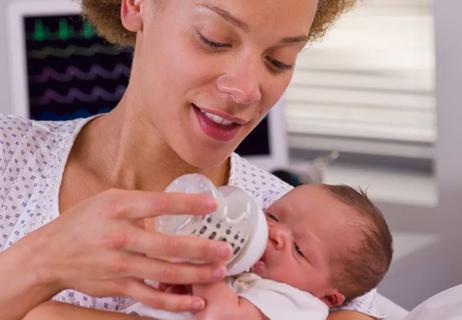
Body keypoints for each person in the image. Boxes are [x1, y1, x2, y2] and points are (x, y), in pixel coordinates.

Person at [0, 0, 384, 319]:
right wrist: (40, 260)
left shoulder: (321, 247)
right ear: (136, 5)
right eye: (214, 39)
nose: (246, 91)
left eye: (279, 60)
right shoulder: (8, 155)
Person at [124, 184, 393, 320]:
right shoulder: (247, 272)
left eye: (299, 249)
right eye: (273, 216)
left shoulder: (298, 305)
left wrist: (206, 264)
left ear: (329, 297)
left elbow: (221, 314)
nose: (276, 234)